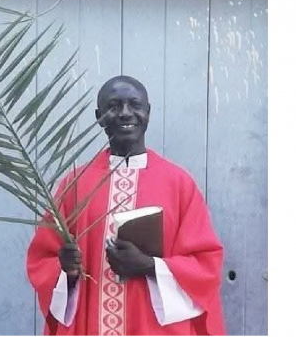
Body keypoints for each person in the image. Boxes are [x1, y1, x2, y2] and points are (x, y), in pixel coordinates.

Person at [26, 75, 226, 336]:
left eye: (135, 104)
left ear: (148, 112)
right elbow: (43, 260)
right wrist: (67, 270)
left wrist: (149, 265)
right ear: (99, 117)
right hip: (91, 322)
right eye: (113, 106)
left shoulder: (178, 184)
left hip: (154, 327)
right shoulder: (74, 184)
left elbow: (205, 264)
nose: (125, 113)